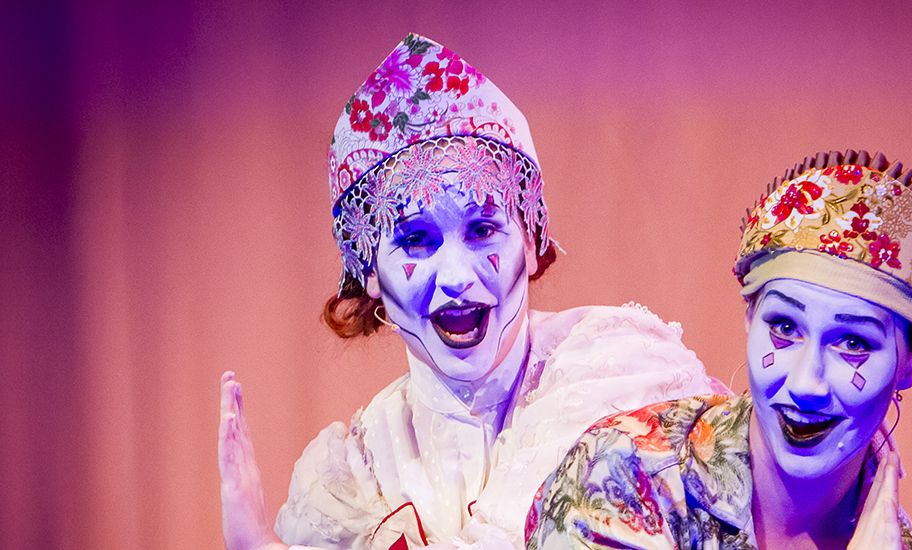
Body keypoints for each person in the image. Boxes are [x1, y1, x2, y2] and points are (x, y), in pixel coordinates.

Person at [218, 34, 726, 550]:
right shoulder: (350, 479)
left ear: (530, 242)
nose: (456, 277)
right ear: (369, 271)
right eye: (416, 239)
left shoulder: (614, 378)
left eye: (482, 228)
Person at [525, 150, 912, 549]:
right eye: (784, 327)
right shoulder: (627, 473)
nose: (807, 383)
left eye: (853, 343)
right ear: (750, 319)